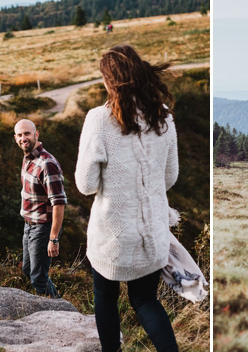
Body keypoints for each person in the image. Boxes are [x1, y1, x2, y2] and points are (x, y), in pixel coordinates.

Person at [75, 44, 180, 352]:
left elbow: (85, 184)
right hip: (152, 234)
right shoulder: (164, 118)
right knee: (146, 300)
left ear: (110, 80)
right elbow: (170, 177)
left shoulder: (99, 119)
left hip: (113, 235)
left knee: (105, 299)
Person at [13, 119, 66, 299]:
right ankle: (57, 303)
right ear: (15, 138)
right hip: (29, 225)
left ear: (36, 135)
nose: (23, 138)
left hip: (43, 228)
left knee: (38, 278)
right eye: (20, 135)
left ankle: (59, 312)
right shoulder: (28, 158)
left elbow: (58, 203)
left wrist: (54, 238)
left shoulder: (47, 164)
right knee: (28, 270)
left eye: (27, 134)